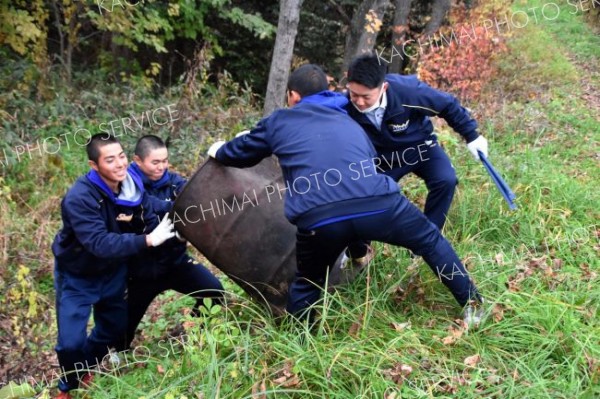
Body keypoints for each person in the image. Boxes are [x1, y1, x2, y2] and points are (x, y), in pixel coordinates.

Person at [207, 64, 485, 327]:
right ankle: (472, 303)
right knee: (430, 240)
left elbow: (239, 154)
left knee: (308, 282)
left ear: (292, 95)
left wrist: (220, 149)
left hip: (318, 219)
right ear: (330, 89)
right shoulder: (349, 107)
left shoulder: (278, 121)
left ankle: (300, 345)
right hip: (378, 202)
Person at [51, 134, 175, 399]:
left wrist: (179, 221)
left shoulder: (130, 185)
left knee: (114, 329)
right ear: (94, 165)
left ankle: (85, 368)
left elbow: (148, 211)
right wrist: (148, 240)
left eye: (121, 156)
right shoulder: (80, 198)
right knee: (70, 343)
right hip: (78, 276)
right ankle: (68, 386)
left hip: (113, 273)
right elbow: (99, 243)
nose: (119, 164)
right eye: (110, 159)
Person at [345, 53, 489, 230]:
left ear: (384, 87)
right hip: (382, 158)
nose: (359, 102)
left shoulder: (409, 92)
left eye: (366, 97)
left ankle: (430, 236)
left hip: (421, 148)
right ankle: (360, 249)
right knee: (363, 197)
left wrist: (472, 136)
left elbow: (447, 105)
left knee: (446, 180)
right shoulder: (343, 105)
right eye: (354, 94)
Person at [123, 135, 224, 349]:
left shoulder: (174, 182)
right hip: (142, 270)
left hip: (175, 262)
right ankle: (119, 352)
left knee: (214, 291)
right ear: (138, 161)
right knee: (123, 322)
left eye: (165, 161)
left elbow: (195, 203)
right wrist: (172, 211)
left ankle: (193, 333)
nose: (162, 167)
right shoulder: (124, 185)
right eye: (155, 162)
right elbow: (140, 214)